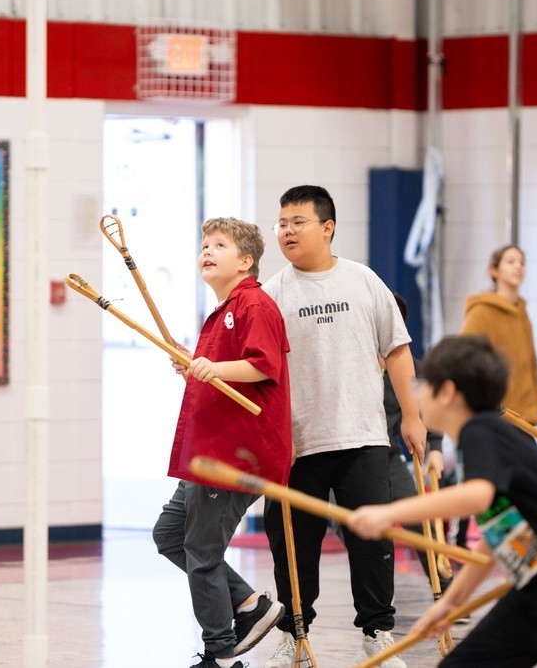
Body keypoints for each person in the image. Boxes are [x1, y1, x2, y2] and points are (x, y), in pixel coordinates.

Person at [348, 335, 537, 667]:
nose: (417, 393)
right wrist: (450, 604)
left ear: (447, 392)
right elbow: (502, 540)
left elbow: (479, 496)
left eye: (424, 384)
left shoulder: (483, 431)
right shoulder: (478, 439)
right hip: (534, 592)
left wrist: (388, 513)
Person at [260, 185, 427, 668]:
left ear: (328, 228)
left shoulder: (364, 281)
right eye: (282, 223)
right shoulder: (271, 294)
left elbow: (397, 350)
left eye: (298, 222)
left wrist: (412, 416)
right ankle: (295, 638)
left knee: (372, 540)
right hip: (296, 444)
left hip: (363, 436)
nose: (287, 231)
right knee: (292, 544)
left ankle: (377, 635)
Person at [153, 217, 291, 668]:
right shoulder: (222, 309)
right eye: (204, 244)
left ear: (246, 261)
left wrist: (215, 367)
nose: (207, 251)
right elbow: (222, 367)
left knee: (203, 554)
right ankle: (250, 604)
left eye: (220, 244)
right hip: (206, 451)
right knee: (170, 534)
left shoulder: (254, 305)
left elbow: (263, 365)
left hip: (234, 454)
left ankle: (221, 655)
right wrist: (196, 363)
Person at [384, 293, 455, 599]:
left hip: (387, 456)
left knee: (419, 522)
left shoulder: (414, 367)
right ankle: (378, 602)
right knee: (356, 532)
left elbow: (430, 413)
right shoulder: (353, 363)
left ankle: (446, 592)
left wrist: (436, 448)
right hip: (349, 454)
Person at [460, 244, 537, 426]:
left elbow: (531, 366)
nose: (518, 266)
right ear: (494, 270)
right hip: (497, 417)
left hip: (526, 419)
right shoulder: (481, 311)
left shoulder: (522, 313)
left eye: (521, 262)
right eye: (510, 262)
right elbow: (464, 359)